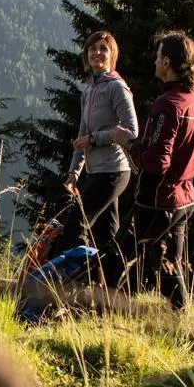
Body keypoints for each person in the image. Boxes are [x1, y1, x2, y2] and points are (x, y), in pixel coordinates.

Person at [120, 30, 194, 309]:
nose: (154, 60)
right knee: (171, 262)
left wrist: (129, 144)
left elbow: (157, 162)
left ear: (166, 63)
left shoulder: (167, 105)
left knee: (118, 254)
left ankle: (96, 309)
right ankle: (179, 315)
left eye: (158, 55)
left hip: (158, 200)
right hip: (186, 198)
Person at [56, 30, 138, 272]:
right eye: (92, 48)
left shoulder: (117, 88)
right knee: (106, 236)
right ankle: (110, 287)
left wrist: (95, 139)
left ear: (112, 55)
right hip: (96, 172)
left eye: (103, 48)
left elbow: (131, 130)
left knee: (75, 227)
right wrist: (74, 172)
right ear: (86, 55)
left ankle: (71, 283)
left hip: (114, 170)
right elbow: (83, 134)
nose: (97, 53)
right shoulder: (88, 91)